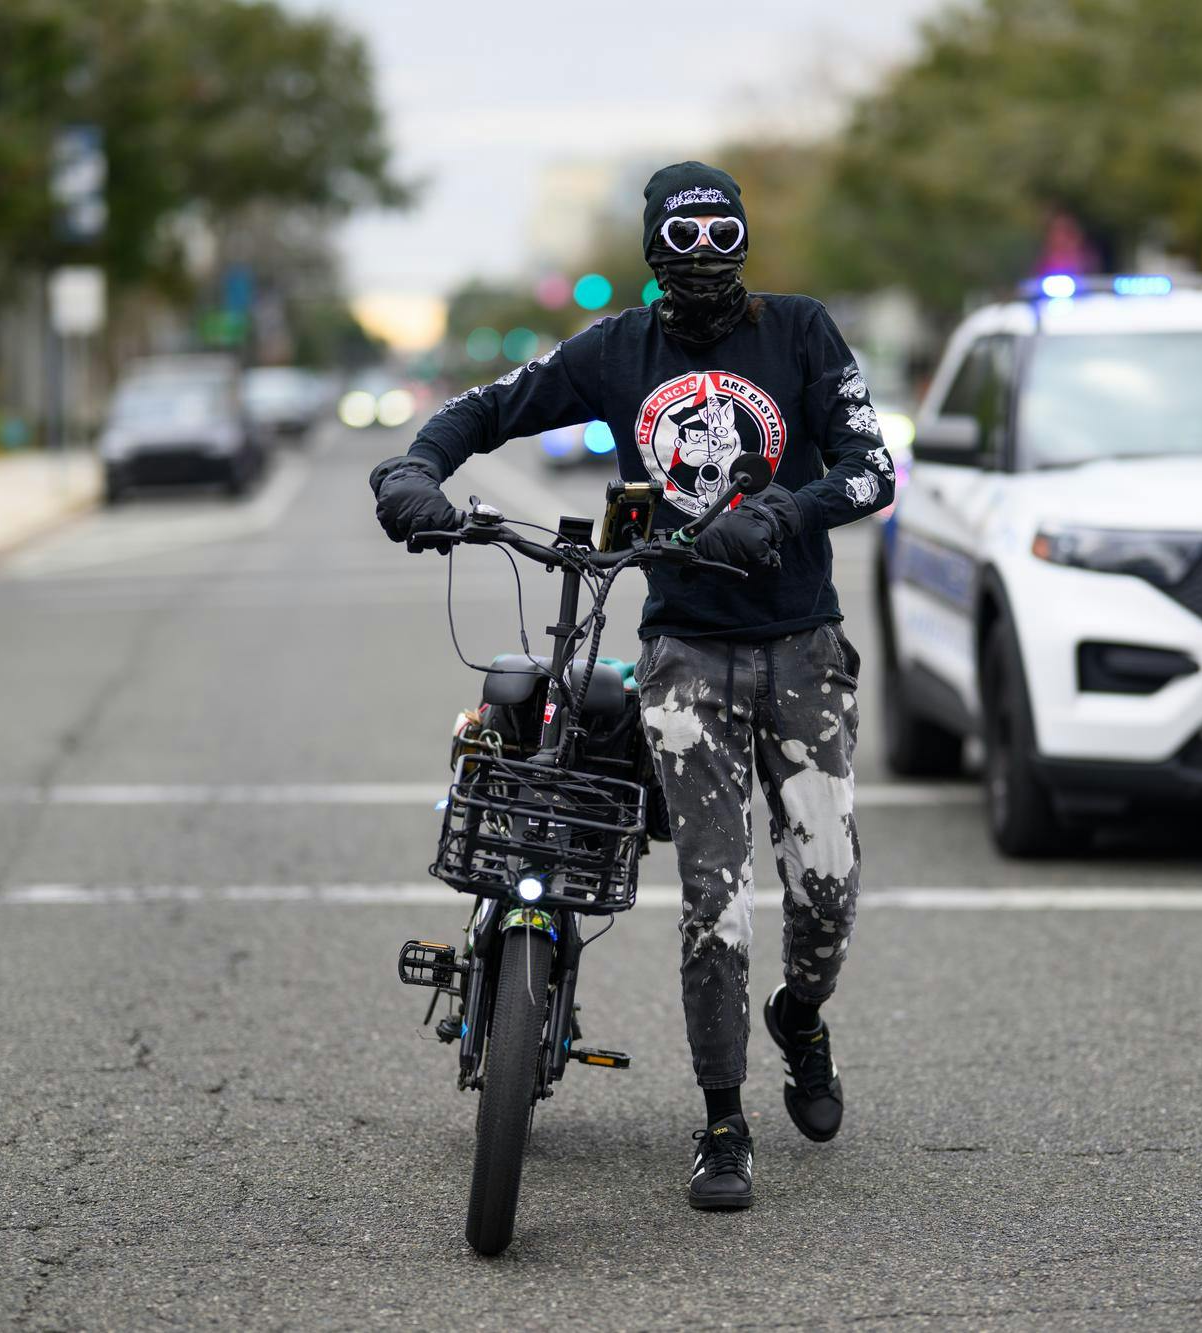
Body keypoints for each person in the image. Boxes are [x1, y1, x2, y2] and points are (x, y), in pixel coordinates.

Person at [371, 162, 895, 1211]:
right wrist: (412, 473)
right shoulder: (616, 351)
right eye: (683, 239)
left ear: (742, 238)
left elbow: (872, 467)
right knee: (713, 899)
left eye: (721, 234)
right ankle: (721, 1121)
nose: (704, 257)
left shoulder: (800, 332)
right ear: (654, 250)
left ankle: (799, 1019)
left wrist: (783, 513)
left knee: (826, 890)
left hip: (802, 647)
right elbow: (489, 408)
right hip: (684, 655)